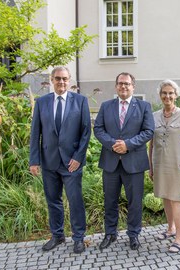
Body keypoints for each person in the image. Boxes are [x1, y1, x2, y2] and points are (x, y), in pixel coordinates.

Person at [29, 66, 91, 254]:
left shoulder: (80, 101)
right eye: (58, 79)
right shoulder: (42, 102)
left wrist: (78, 158)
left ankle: (78, 237)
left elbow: (86, 132)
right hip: (49, 162)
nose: (61, 82)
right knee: (53, 200)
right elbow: (35, 133)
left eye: (64, 79)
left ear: (69, 80)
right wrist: (34, 160)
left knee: (75, 201)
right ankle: (57, 235)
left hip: (72, 163)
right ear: (52, 80)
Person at [93, 72, 155, 251]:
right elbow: (98, 129)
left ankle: (133, 235)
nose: (123, 87)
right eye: (120, 83)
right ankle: (110, 234)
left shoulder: (143, 106)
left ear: (133, 86)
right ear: (116, 86)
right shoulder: (106, 106)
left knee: (135, 201)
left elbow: (148, 131)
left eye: (127, 84)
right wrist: (113, 144)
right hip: (111, 162)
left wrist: (127, 144)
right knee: (110, 200)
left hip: (134, 163)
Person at [149, 79, 180, 253]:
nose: (167, 96)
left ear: (176, 95)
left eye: (171, 93)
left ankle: (179, 238)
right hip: (160, 163)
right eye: (164, 93)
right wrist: (151, 166)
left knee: (176, 199)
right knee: (165, 197)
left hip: (177, 164)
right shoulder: (153, 116)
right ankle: (170, 229)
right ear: (160, 95)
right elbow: (151, 145)